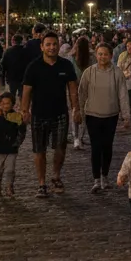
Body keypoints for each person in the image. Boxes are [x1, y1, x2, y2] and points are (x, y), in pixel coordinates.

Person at [20, 31, 80, 198]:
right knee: (39, 150)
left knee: (60, 147)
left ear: (58, 46)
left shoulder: (65, 65)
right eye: (48, 44)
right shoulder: (34, 66)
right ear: (42, 47)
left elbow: (72, 88)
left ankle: (56, 176)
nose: (52, 47)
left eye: (54, 44)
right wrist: (24, 111)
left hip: (60, 113)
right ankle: (41, 182)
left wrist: (76, 109)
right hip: (39, 114)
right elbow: (26, 91)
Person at [78, 43, 130, 193]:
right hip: (92, 115)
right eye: (99, 54)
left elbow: (122, 95)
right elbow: (82, 94)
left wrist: (126, 116)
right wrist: (79, 112)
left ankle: (105, 176)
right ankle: (96, 179)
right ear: (96, 54)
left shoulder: (117, 73)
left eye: (105, 54)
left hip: (111, 115)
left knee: (107, 147)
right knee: (96, 147)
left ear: (111, 56)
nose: (102, 57)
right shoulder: (89, 72)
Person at [0, 92, 27, 198]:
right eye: (3, 103)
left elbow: (22, 131)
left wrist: (17, 143)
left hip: (12, 148)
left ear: (12, 104)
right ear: (0, 104)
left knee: (10, 169)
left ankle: (9, 187)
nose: (5, 106)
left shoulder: (16, 116)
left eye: (8, 103)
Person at [70, 36, 93, 150]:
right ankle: (81, 136)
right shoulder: (91, 58)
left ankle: (76, 138)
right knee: (85, 113)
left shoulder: (72, 58)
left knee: (75, 111)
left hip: (74, 88)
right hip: (87, 89)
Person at [0, 34, 28, 107]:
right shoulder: (26, 51)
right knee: (22, 95)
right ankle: (22, 110)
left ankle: (11, 110)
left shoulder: (8, 51)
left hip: (12, 77)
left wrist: (2, 79)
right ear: (21, 41)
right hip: (23, 78)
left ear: (13, 41)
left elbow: (3, 66)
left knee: (12, 95)